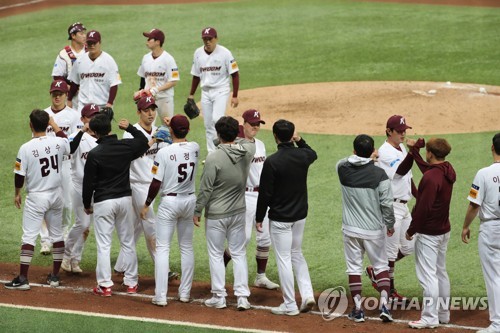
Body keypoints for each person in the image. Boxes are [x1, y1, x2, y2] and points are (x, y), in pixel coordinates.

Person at [82, 114, 149, 297]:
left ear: (95, 133)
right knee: (127, 241)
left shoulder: (95, 154)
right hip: (125, 200)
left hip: (104, 202)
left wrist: (86, 204)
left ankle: (105, 286)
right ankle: (131, 283)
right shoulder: (125, 147)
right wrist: (130, 128)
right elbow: (143, 141)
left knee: (104, 244)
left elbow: (88, 183)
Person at [255, 119, 317, 316]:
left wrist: (259, 217)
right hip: (300, 216)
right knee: (297, 254)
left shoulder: (272, 161)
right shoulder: (303, 155)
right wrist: (300, 140)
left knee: (284, 259)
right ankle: (307, 294)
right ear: (292, 135)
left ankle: (290, 304)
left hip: (281, 218)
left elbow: (265, 193)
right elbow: (312, 153)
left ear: (275, 136)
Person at [193, 116, 254, 311]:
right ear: (237, 133)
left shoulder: (213, 157)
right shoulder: (247, 152)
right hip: (238, 212)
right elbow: (244, 141)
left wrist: (197, 210)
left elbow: (205, 189)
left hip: (217, 215)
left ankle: (219, 296)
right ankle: (242, 297)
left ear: (218, 134)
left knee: (216, 255)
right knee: (239, 253)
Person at [5, 109, 70, 290]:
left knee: (29, 236)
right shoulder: (58, 142)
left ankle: (23, 279)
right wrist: (55, 125)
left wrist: (17, 193)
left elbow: (19, 175)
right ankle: (55, 277)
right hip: (56, 195)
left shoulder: (25, 148)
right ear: (47, 124)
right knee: (57, 235)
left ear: (30, 125)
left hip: (37, 197)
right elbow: (67, 142)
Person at [141, 114, 199, 307]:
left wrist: (147, 204)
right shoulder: (195, 148)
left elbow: (156, 183)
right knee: (186, 247)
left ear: (171, 131)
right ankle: (184, 293)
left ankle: (161, 296)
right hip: (190, 201)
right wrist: (175, 127)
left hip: (170, 203)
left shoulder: (164, 153)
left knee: (163, 248)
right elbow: (185, 142)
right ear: (188, 130)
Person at [337, 134, 395, 323]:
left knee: (353, 268)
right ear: (372, 151)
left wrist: (366, 156)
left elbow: (346, 160)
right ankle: (385, 306)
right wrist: (390, 224)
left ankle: (358, 310)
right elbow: (386, 204)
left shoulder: (342, 168)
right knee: (380, 266)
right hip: (373, 230)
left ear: (354, 151)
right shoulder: (380, 174)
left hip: (351, 230)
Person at [223, 109, 279, 290]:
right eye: (252, 124)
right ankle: (220, 270)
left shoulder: (260, 144)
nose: (255, 127)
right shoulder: (235, 145)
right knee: (243, 238)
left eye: (257, 124)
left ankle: (260, 277)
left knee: (265, 238)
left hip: (262, 196)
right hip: (244, 196)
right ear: (244, 124)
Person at [404, 137, 455, 329]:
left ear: (430, 153)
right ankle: (443, 314)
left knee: (428, 276)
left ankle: (429, 317)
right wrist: (415, 152)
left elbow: (423, 208)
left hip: (429, 233)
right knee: (440, 272)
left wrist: (411, 230)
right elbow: (429, 170)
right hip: (444, 231)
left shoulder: (431, 178)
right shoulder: (447, 170)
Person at [113, 96, 168, 275]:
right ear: (139, 112)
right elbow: (131, 155)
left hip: (151, 185)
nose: (151, 113)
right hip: (136, 186)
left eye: (153, 109)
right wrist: (153, 141)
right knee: (151, 227)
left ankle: (120, 266)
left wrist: (170, 128)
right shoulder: (130, 133)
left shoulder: (158, 130)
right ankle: (162, 269)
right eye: (146, 110)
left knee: (136, 227)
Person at [367, 114, 416, 302]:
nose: (403, 134)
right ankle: (390, 291)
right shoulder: (385, 151)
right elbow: (399, 173)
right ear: (389, 131)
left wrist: (420, 199)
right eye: (399, 131)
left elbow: (409, 177)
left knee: (409, 246)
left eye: (405, 131)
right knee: (390, 252)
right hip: (391, 206)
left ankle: (376, 271)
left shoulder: (401, 147)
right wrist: (413, 153)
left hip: (405, 206)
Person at [462, 133, 500, 333]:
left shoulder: (483, 173)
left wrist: (465, 226)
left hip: (491, 229)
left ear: (492, 148)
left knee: (494, 276)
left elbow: (474, 205)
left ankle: (498, 324)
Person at [39, 80, 81, 255]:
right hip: (45, 164)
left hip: (64, 163)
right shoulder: (42, 114)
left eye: (60, 94)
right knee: (43, 201)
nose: (57, 96)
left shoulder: (74, 116)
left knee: (66, 202)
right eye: (54, 93)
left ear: (66, 95)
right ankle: (45, 240)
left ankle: (62, 234)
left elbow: (72, 143)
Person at [61, 103, 101, 273]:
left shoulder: (103, 136)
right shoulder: (76, 136)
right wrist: (82, 131)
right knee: (82, 224)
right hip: (79, 187)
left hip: (96, 189)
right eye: (91, 117)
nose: (94, 119)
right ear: (83, 119)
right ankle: (66, 255)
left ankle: (75, 260)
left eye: (96, 116)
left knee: (86, 228)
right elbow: (69, 149)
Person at [188, 27, 239, 153]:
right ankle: (212, 153)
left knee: (217, 119)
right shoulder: (198, 53)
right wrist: (191, 94)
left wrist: (235, 95)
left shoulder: (225, 53)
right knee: (208, 124)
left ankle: (225, 148)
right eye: (205, 39)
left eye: (210, 39)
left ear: (216, 39)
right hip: (205, 92)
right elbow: (196, 75)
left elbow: (235, 74)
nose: (207, 42)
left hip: (221, 90)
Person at [67, 30, 121, 112]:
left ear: (99, 43)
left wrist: (110, 103)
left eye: (94, 43)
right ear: (86, 43)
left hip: (102, 106)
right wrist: (69, 99)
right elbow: (75, 83)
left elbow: (114, 84)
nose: (92, 45)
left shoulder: (109, 61)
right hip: (84, 106)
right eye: (89, 43)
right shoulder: (79, 61)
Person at [138, 28, 180, 125]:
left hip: (164, 99)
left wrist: (157, 89)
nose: (147, 41)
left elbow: (173, 81)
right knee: (147, 126)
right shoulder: (145, 58)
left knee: (167, 126)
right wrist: (141, 91)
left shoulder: (168, 59)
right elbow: (143, 77)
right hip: (149, 99)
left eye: (149, 39)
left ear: (157, 42)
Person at [52, 22, 87, 108]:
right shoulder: (63, 54)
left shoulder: (90, 50)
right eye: (81, 33)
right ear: (73, 36)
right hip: (73, 97)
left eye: (84, 33)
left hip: (90, 94)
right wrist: (71, 88)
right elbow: (57, 76)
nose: (84, 36)